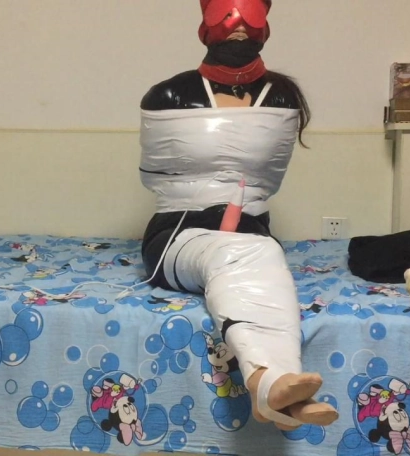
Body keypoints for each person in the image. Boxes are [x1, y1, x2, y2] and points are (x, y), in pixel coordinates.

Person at [138, 0, 339, 430]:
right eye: (227, 13)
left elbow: (267, 180)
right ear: (204, 23)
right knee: (250, 253)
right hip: (175, 237)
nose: (239, 24)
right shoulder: (168, 96)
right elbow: (157, 180)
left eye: (251, 12)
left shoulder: (281, 97)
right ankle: (270, 387)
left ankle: (277, 391)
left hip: (250, 232)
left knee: (260, 253)